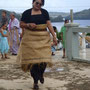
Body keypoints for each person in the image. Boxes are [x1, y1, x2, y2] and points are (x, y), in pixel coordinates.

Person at [17, 0, 57, 89]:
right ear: (33, 2)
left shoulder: (45, 12)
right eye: (37, 3)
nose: (39, 5)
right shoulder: (26, 13)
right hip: (30, 39)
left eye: (41, 4)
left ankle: (41, 74)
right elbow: (21, 24)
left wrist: (54, 36)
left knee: (44, 60)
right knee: (33, 63)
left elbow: (49, 24)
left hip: (43, 39)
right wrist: (28, 25)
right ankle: (35, 82)